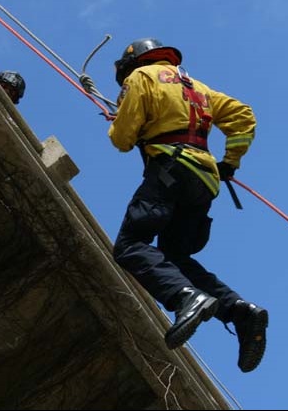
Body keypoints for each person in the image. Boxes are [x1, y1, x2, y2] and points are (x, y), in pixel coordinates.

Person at [108, 38, 268, 373]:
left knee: (130, 245)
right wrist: (230, 162)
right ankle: (239, 310)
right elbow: (244, 116)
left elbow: (122, 139)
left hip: (170, 169)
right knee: (176, 258)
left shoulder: (140, 79)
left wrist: (122, 120)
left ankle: (185, 297)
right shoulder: (195, 85)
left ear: (131, 64)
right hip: (205, 180)